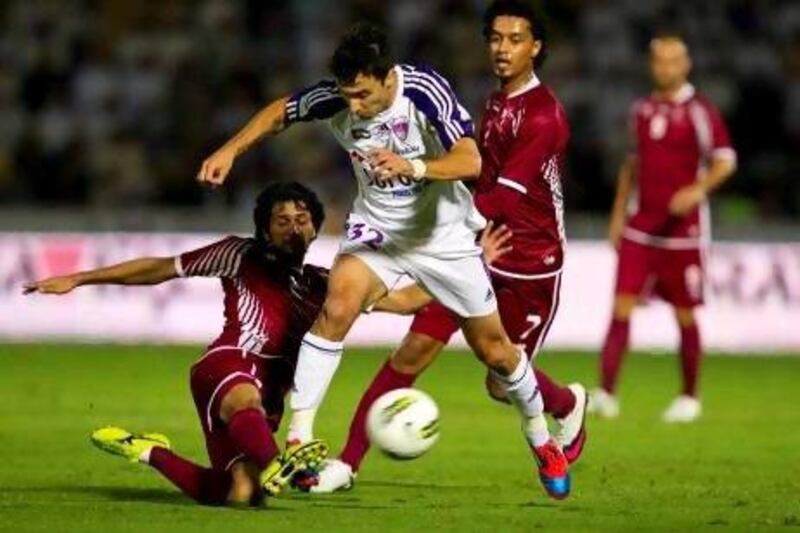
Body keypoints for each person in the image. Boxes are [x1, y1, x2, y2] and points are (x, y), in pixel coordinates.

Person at [198, 22, 570, 498]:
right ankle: (299, 437)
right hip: (379, 230)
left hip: (444, 236)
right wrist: (230, 150)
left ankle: (541, 438)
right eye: (347, 95)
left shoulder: (423, 88)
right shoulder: (338, 96)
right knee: (337, 307)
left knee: (497, 353)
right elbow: (279, 112)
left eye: (363, 95)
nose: (353, 106)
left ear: (387, 77)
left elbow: (471, 160)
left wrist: (412, 166)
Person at [22, 182, 453, 507]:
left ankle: (149, 451)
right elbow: (161, 268)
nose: (294, 228)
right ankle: (281, 461)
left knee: (241, 494)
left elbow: (405, 301)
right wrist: (79, 278)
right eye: (282, 221)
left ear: (316, 227)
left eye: (302, 220)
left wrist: (469, 267)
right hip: (229, 366)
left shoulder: (328, 284)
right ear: (265, 230)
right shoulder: (239, 254)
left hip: (269, 395)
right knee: (249, 413)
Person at [308, 0, 587, 495]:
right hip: (473, 243)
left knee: (500, 380)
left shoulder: (544, 117)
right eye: (496, 38)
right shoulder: (497, 100)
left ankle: (566, 405)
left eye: (515, 39)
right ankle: (347, 463)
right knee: (412, 353)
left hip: (526, 259)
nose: (502, 49)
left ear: (536, 47)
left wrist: (434, 194)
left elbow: (500, 193)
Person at [589, 34, 737, 422]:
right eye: (659, 61)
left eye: (674, 61)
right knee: (620, 307)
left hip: (683, 233)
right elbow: (632, 166)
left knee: (685, 314)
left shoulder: (700, 111)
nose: (666, 67)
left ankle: (689, 397)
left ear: (686, 65)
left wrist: (696, 190)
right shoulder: (641, 109)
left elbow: (725, 160)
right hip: (641, 227)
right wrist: (618, 216)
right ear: (651, 65)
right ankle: (605, 393)